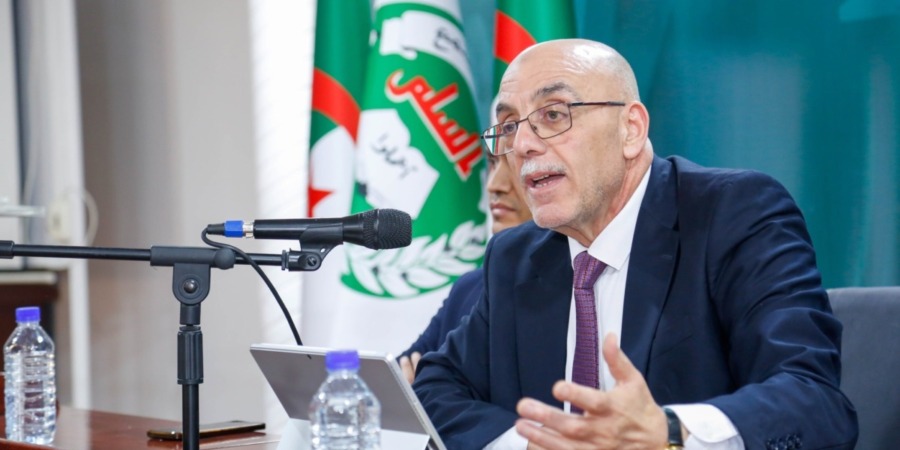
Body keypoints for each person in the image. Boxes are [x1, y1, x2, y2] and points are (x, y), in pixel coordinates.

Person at [413, 39, 858, 450]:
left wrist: (669, 431)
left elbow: (813, 399)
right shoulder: (516, 255)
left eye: (553, 115)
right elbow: (435, 389)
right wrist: (535, 443)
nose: (523, 145)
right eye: (509, 125)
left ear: (630, 129)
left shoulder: (732, 214)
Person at [399, 151, 531, 383]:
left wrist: (429, 391)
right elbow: (400, 375)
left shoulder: (578, 288)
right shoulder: (469, 287)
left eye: (515, 164)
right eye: (492, 163)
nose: (493, 185)